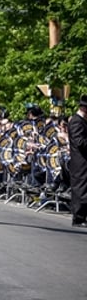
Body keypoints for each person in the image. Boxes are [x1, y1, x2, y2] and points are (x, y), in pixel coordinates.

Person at [68, 95, 87, 228]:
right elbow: (79, 142)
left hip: (84, 161)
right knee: (80, 188)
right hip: (80, 161)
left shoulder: (82, 121)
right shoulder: (76, 121)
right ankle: (78, 217)